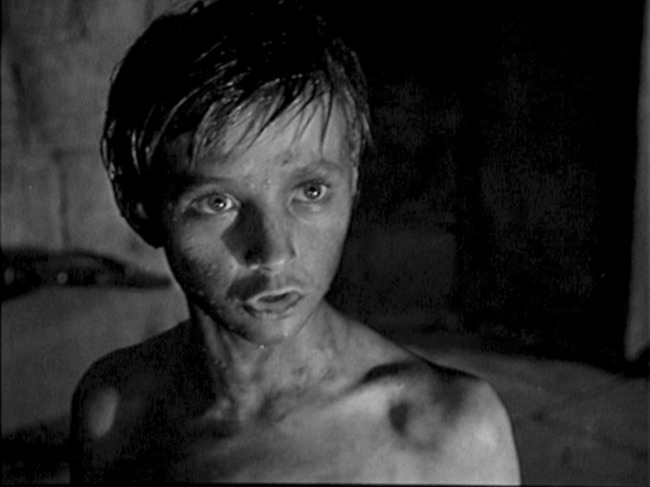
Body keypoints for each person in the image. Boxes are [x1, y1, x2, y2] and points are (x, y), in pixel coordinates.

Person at [69, 0, 520, 483]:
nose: (274, 251)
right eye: (218, 202)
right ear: (140, 208)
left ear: (353, 184)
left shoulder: (445, 434)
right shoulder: (116, 416)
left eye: (311, 192)